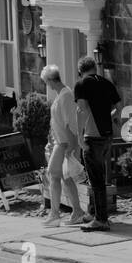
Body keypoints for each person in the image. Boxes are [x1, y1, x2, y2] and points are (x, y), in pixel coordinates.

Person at [74, 55, 122, 232]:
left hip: (92, 136)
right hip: (107, 135)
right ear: (94, 68)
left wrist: (80, 136)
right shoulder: (106, 82)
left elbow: (82, 110)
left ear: (80, 71)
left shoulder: (81, 84)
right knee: (98, 175)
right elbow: (118, 105)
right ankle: (94, 213)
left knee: (96, 179)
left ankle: (101, 220)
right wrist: (112, 118)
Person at [40, 65, 86, 228]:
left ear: (50, 81)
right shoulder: (63, 94)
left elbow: (70, 123)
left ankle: (55, 214)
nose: (47, 85)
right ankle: (77, 212)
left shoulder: (66, 95)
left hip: (65, 143)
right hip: (59, 141)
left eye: (46, 82)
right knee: (64, 178)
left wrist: (71, 146)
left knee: (53, 174)